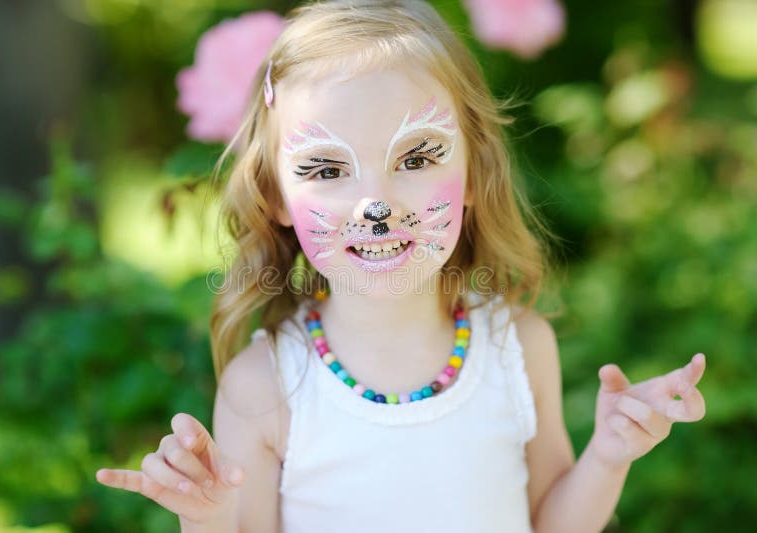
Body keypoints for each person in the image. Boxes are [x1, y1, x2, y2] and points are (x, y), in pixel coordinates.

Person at [95, 1, 708, 532]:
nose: (376, 205)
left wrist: (609, 454)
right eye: (327, 170)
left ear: (474, 173)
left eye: (417, 158)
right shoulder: (267, 388)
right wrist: (204, 518)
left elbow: (549, 521)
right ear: (277, 197)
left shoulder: (517, 347)